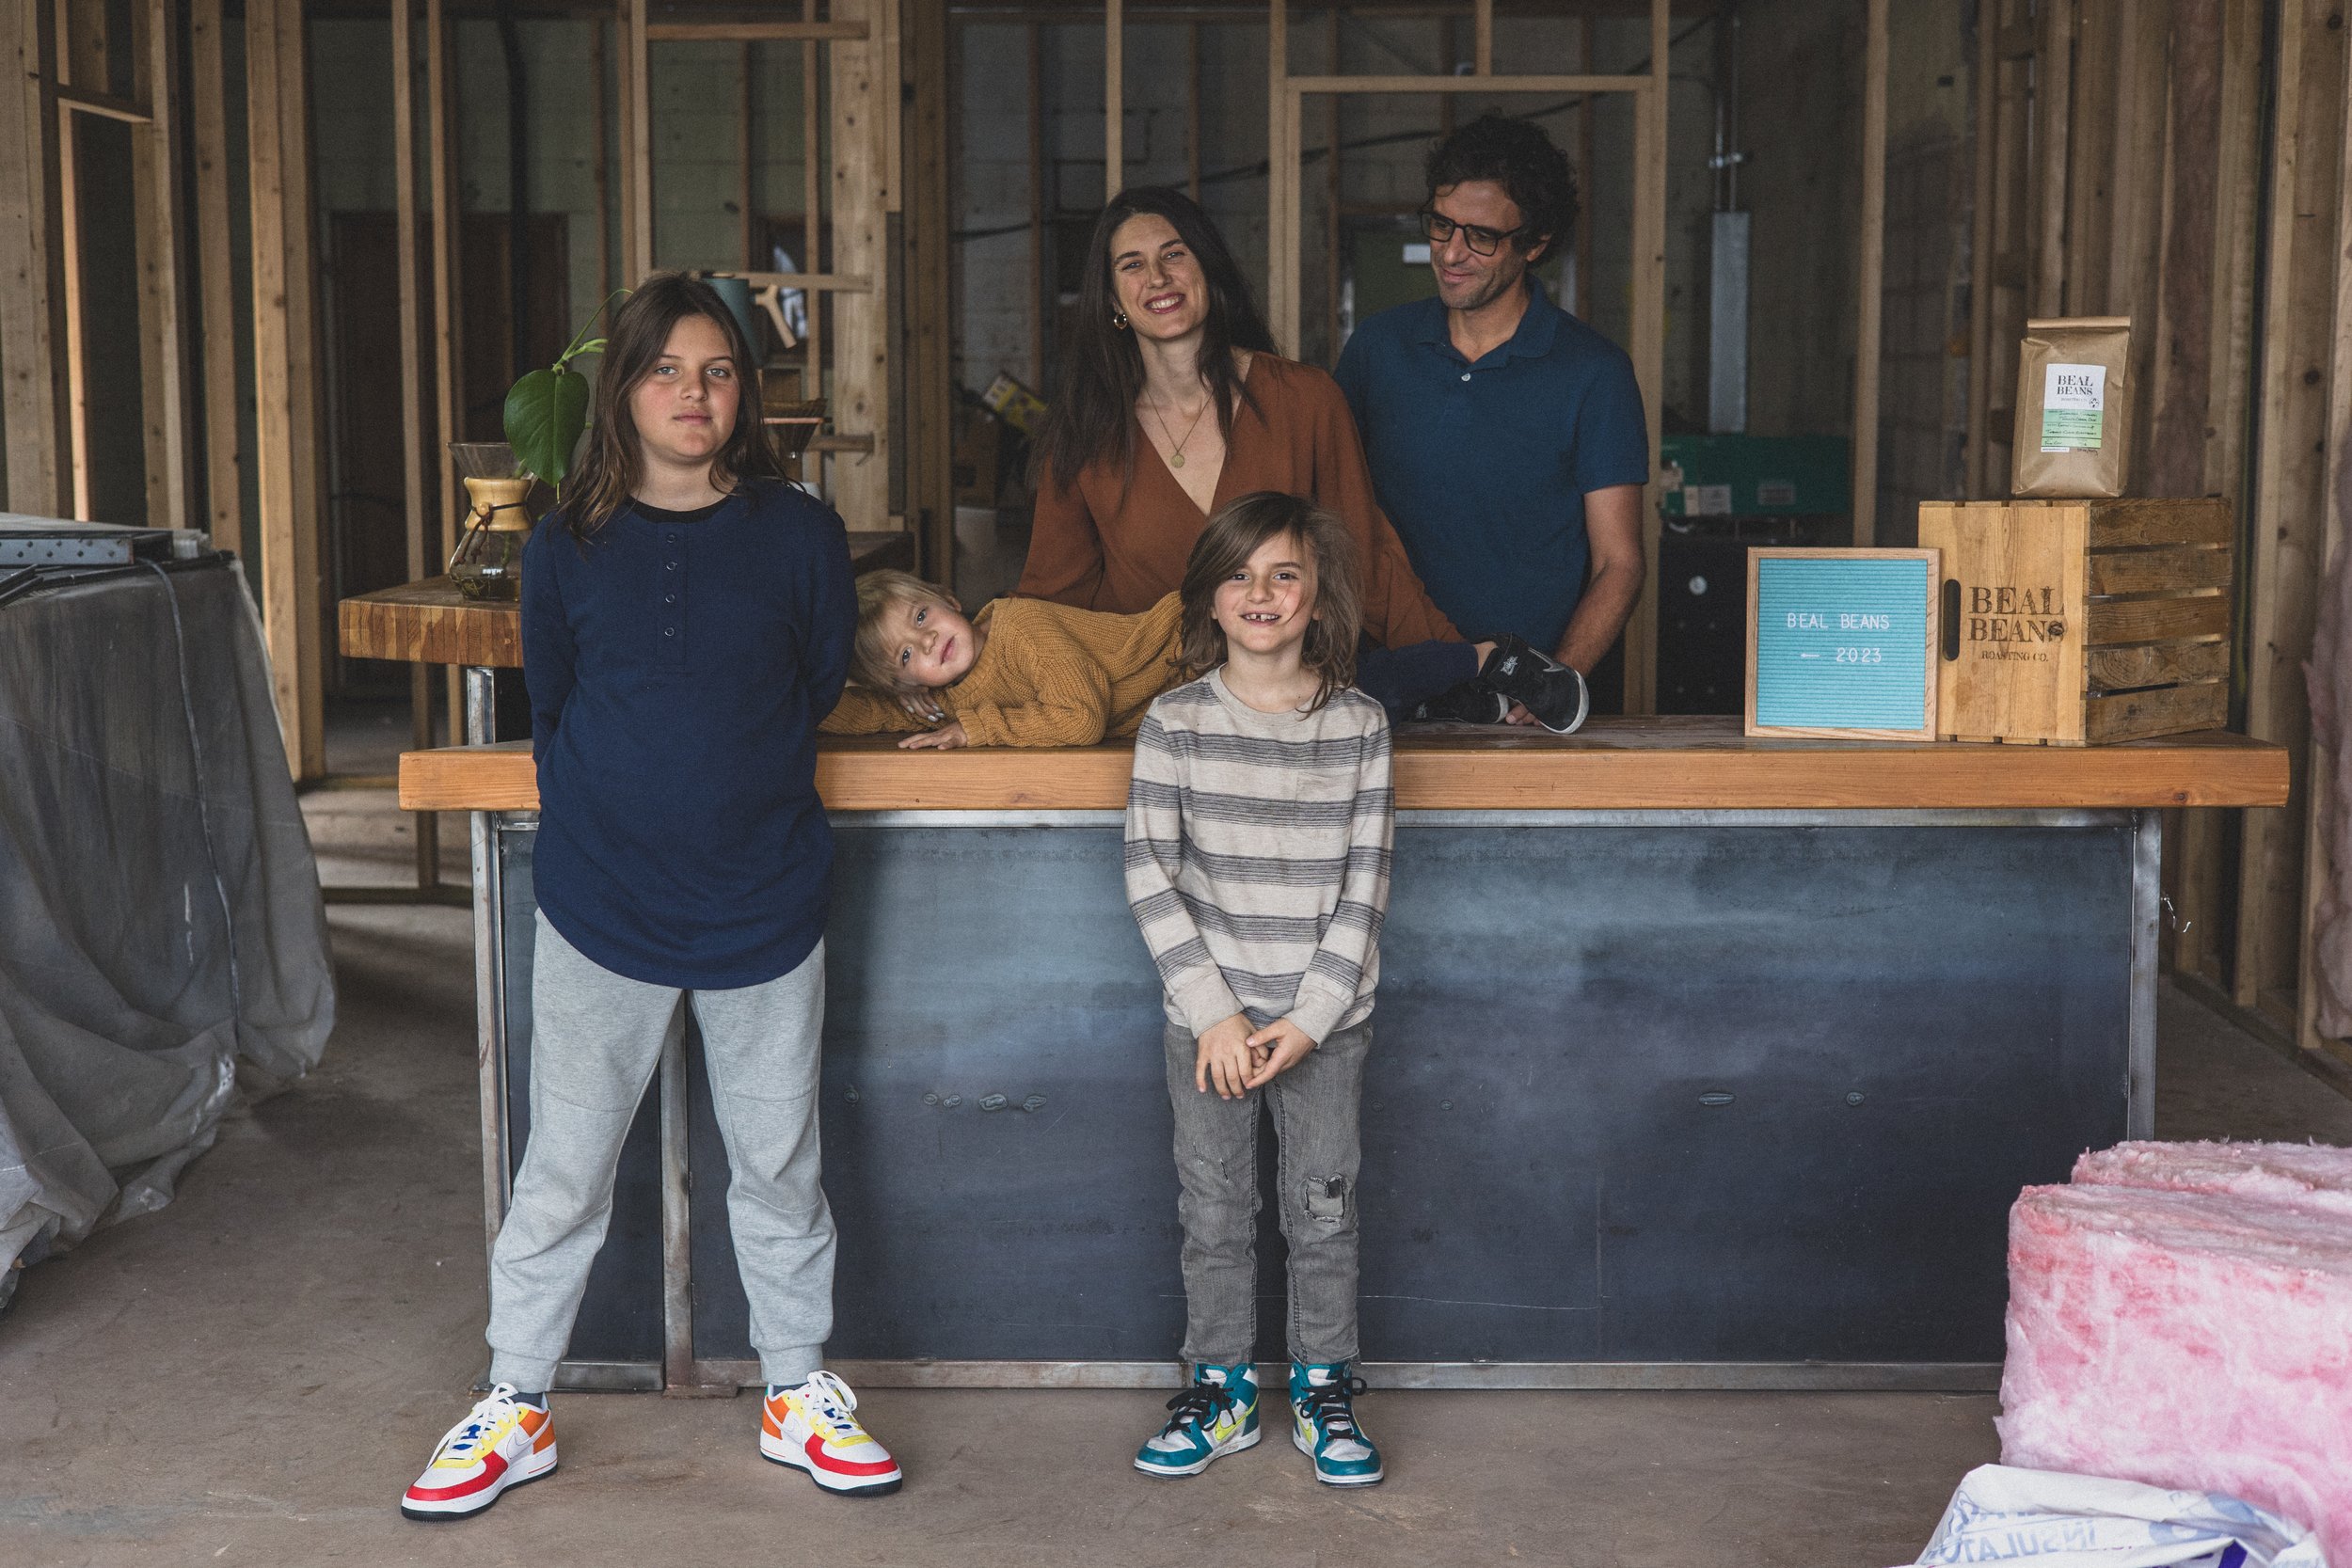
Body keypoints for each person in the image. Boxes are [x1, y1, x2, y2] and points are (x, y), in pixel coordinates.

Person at [400, 275, 901, 1521]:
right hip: (601, 898)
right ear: (623, 387)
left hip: (765, 894)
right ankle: (517, 1397)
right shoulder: (566, 541)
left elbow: (819, 677)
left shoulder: (797, 530)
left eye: (719, 370)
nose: (695, 392)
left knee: (781, 1158)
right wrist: (615, 806)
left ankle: (796, 1386)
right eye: (668, 369)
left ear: (749, 393)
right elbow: (555, 702)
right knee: (562, 1163)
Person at [1020, 184, 1586, 732]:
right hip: (1153, 722)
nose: (1158, 278)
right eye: (1132, 265)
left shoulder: (1305, 399)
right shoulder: (1082, 437)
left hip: (1297, 710)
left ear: (1209, 271)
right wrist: (975, 689)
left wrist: (1451, 664)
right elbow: (1050, 603)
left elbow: (1365, 553)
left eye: (1175, 255)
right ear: (1114, 300)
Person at [1124, 491, 1391, 1488]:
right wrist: (1217, 1012)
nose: (1261, 592)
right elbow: (1149, 871)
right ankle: (1223, 1384)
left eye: (1283, 572)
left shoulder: (1359, 726)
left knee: (1322, 1206)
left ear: (1319, 595)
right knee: (1214, 1207)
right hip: (1211, 1029)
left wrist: (1309, 1017)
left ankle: (1325, 1383)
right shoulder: (1176, 722)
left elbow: (1365, 889)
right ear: (1208, 596)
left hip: (1325, 1024)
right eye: (1238, 573)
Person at [1334, 114, 1647, 726]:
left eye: (1481, 237)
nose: (1451, 253)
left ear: (1535, 243)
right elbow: (1329, 513)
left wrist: (1555, 679)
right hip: (1392, 696)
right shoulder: (1377, 350)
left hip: (1521, 707)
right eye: (1442, 225)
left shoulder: (1594, 373)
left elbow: (1621, 563)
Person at [819, 569, 1184, 748]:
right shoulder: (934, 701)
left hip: (1187, 647)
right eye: (905, 654)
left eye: (920, 617)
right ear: (903, 687)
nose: (927, 640)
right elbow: (854, 713)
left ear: (949, 599)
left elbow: (1080, 720)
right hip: (1178, 704)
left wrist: (973, 730)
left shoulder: (1021, 628)